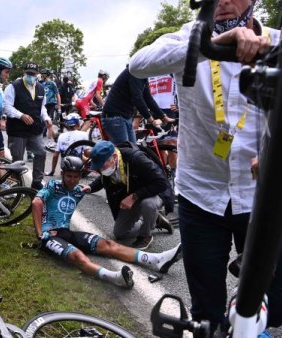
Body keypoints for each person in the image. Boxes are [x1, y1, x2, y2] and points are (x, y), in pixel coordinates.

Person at [129, 0, 282, 332]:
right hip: (200, 195)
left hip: (259, 196)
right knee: (205, 314)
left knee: (273, 307)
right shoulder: (187, 37)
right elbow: (138, 65)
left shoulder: (275, 42)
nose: (223, 2)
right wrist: (208, 45)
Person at [33, 156, 182, 288]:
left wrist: (91, 187)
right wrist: (40, 233)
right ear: (62, 174)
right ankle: (114, 277)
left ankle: (157, 259)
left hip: (67, 233)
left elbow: (104, 180)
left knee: (108, 244)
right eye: (68, 176)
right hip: (50, 236)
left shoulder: (79, 190)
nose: (72, 180)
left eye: (76, 177)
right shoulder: (53, 186)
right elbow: (36, 202)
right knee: (77, 256)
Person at [88, 141, 174, 249]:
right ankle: (156, 221)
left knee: (148, 204)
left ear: (114, 157)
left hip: (155, 191)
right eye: (98, 168)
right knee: (120, 233)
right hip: (135, 193)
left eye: (102, 166)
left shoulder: (136, 159)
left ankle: (145, 236)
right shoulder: (110, 163)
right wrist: (90, 187)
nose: (101, 170)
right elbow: (103, 178)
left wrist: (135, 196)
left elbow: (162, 183)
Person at [3, 62, 53, 190]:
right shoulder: (13, 87)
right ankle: (15, 185)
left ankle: (37, 181)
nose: (31, 76)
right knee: (17, 160)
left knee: (41, 152)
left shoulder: (41, 88)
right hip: (17, 130)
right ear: (23, 73)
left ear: (37, 75)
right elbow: (7, 106)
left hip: (34, 129)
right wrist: (21, 115)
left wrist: (46, 118)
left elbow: (42, 108)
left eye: (33, 74)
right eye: (28, 73)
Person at [101, 66, 174, 145]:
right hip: (114, 117)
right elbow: (137, 98)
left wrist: (163, 117)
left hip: (126, 116)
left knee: (133, 150)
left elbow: (148, 98)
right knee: (126, 152)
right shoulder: (134, 72)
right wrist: (151, 120)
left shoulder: (143, 75)